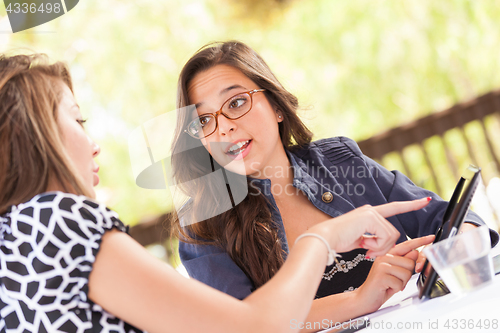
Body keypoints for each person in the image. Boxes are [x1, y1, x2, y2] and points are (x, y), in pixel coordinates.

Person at [0, 53, 433, 333]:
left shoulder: (17, 237)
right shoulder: (61, 224)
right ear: (33, 135)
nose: (93, 142)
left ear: (277, 107)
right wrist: (321, 242)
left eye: (237, 104)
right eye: (78, 121)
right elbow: (246, 327)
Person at [172, 40, 499, 329]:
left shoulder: (342, 163)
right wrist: (359, 298)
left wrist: (451, 248)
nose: (224, 128)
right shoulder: (202, 225)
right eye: (203, 120)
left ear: (275, 106)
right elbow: (240, 324)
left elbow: (450, 218)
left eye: (236, 103)